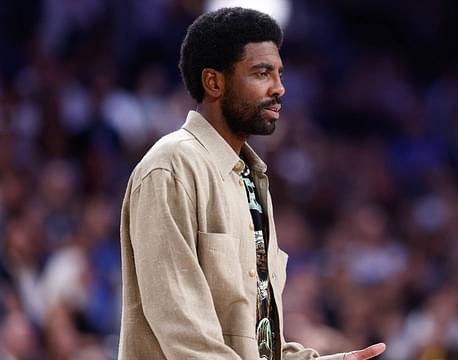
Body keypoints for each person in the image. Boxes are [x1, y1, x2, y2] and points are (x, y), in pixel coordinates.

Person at [118, 7, 386, 360]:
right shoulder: (171, 167)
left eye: (279, 74)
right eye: (262, 74)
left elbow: (257, 341)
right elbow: (184, 336)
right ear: (214, 82)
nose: (279, 88)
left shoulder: (251, 179)